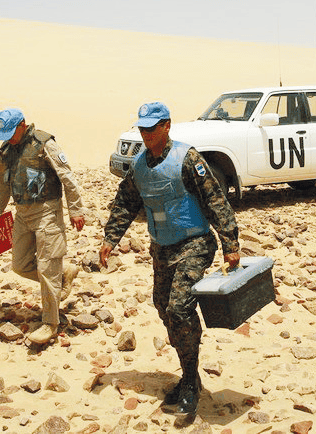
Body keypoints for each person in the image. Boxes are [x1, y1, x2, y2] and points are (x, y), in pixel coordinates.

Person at [98, 102, 240, 415]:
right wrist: (111, 238)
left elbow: (215, 200)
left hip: (195, 244)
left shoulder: (187, 159)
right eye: (143, 128)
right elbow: (125, 202)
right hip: (162, 248)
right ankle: (188, 370)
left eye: (152, 127)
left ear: (167, 126)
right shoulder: (139, 165)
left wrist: (230, 241)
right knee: (163, 307)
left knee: (179, 307)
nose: (147, 134)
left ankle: (190, 380)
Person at [0, 108, 87, 345]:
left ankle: (50, 323)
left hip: (47, 212)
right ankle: (62, 275)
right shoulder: (5, 151)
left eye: (12, 132)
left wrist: (75, 210)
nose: (9, 137)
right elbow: (1, 183)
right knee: (20, 265)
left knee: (47, 268)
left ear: (23, 124)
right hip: (22, 213)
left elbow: (67, 177)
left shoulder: (44, 143)